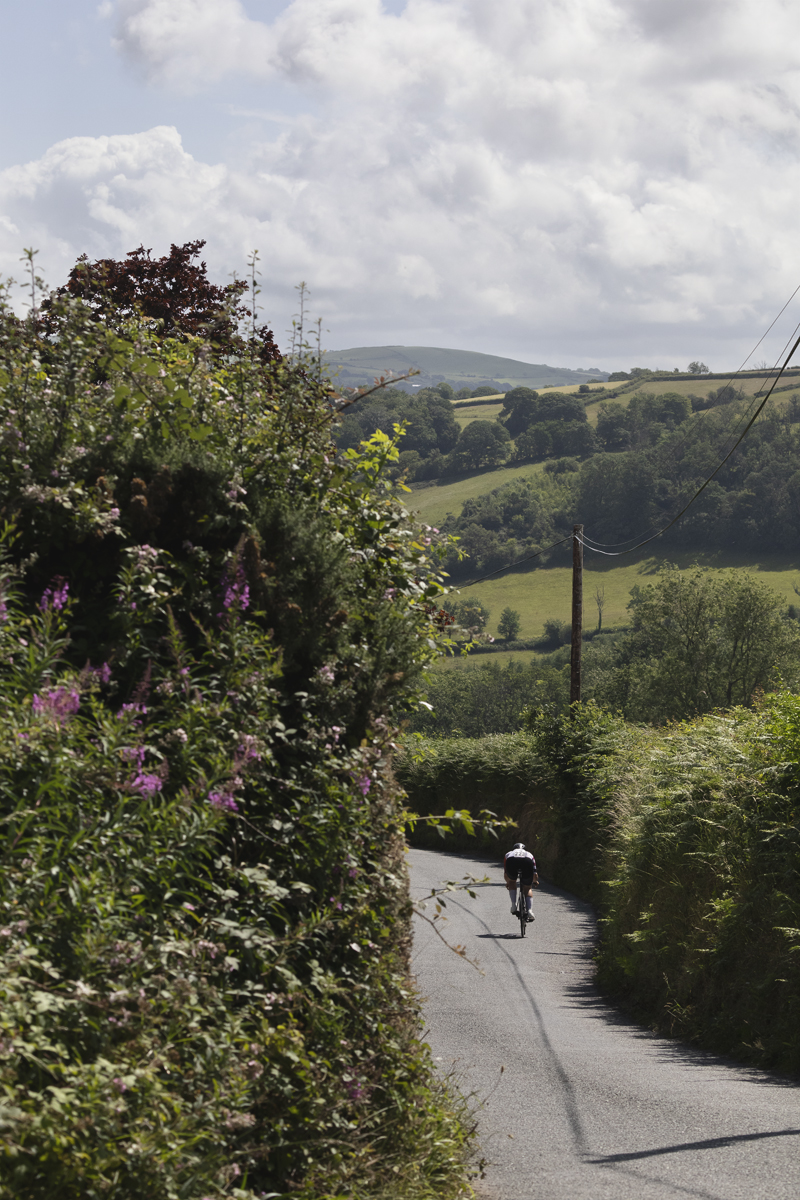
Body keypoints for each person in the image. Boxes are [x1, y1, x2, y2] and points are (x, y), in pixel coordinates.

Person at [504, 842, 539, 923]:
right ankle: (529, 911)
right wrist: (535, 881)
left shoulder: (509, 854)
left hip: (511, 861)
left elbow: (506, 873)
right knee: (527, 887)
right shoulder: (529, 854)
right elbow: (535, 872)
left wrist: (508, 882)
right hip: (526, 861)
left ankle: (513, 905)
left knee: (512, 882)